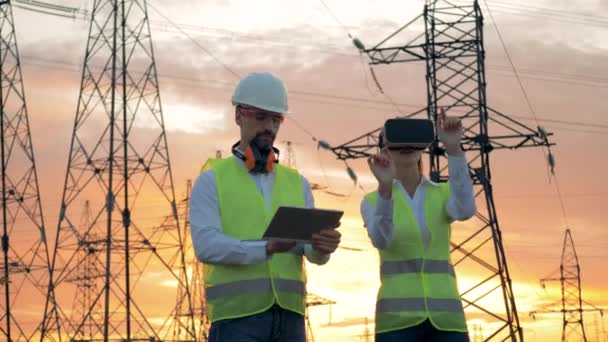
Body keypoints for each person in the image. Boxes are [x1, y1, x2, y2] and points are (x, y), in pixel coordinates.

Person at [190, 72, 342, 342]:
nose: (269, 127)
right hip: (236, 320)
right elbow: (206, 246)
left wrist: (322, 247)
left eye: (275, 119)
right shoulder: (212, 180)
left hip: (291, 319)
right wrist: (266, 248)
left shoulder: (297, 183)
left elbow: (311, 254)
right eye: (260, 117)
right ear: (239, 116)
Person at [361, 109, 477, 341]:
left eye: (413, 140)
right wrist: (385, 189)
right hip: (396, 322)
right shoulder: (372, 201)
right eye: (397, 140)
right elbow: (382, 240)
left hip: (446, 319)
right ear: (384, 150)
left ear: (422, 146)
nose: (406, 145)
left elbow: (465, 210)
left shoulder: (442, 193)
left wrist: (453, 149)